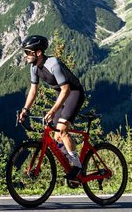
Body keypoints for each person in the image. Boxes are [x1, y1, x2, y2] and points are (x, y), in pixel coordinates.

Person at [16, 35, 85, 180]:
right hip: (61, 94)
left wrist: (53, 111)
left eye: (28, 52)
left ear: (38, 52)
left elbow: (66, 89)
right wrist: (25, 110)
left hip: (73, 93)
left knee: (62, 129)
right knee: (57, 136)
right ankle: (71, 162)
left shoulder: (53, 64)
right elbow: (33, 90)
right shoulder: (34, 67)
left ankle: (78, 167)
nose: (25, 55)